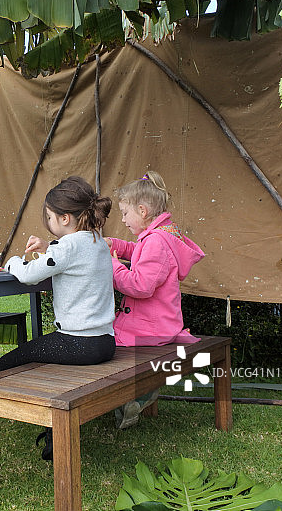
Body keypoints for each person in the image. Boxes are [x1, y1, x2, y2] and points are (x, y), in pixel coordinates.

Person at [0, 176, 116, 460]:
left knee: (6, 363)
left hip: (78, 344)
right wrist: (48, 246)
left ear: (65, 218)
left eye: (50, 217)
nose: (48, 222)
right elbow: (66, 255)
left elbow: (27, 275)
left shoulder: (67, 247)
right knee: (40, 350)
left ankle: (47, 426)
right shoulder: (96, 240)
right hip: (105, 342)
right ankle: (53, 430)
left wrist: (12, 262)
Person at [105, 170, 205, 428]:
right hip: (161, 322)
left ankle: (138, 395)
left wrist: (113, 264)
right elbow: (138, 249)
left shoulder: (156, 243)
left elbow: (139, 285)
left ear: (142, 211)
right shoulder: (161, 236)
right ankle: (134, 396)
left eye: (125, 214)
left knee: (104, 346)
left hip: (148, 327)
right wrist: (114, 244)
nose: (124, 220)